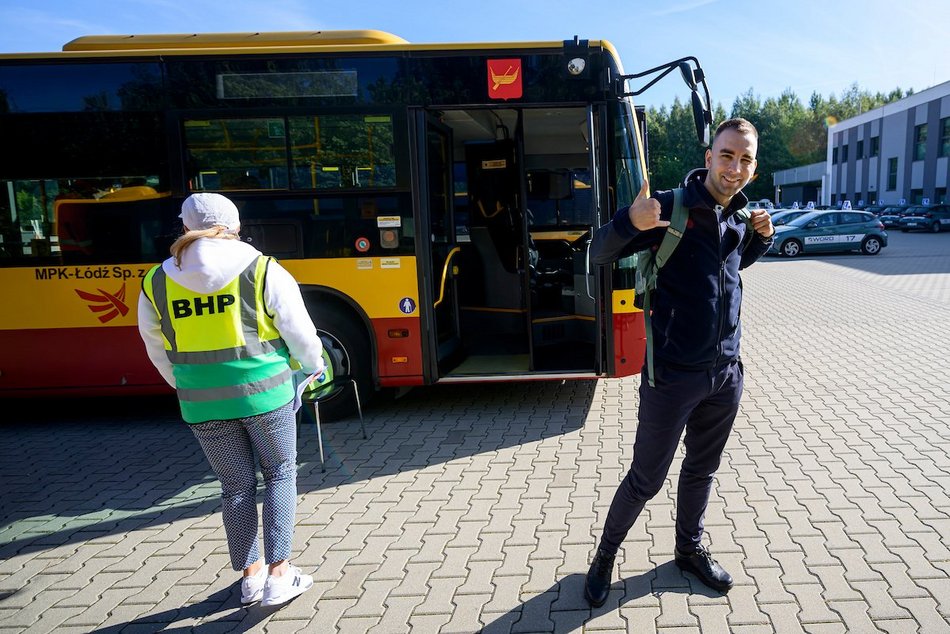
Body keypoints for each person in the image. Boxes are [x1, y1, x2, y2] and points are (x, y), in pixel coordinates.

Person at [584, 118, 775, 607]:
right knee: (646, 479)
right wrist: (630, 221)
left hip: (725, 375)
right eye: (727, 155)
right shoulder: (670, 208)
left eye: (745, 159)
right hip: (671, 377)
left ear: (754, 168)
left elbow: (727, 267)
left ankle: (688, 551)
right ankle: (604, 558)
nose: (735, 167)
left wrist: (761, 240)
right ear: (709, 157)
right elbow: (599, 254)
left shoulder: (738, 216)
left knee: (701, 469)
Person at [137, 192, 325, 608]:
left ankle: (250, 576)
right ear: (235, 225)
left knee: (235, 488)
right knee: (279, 474)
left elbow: (154, 346)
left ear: (185, 227)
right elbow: (298, 329)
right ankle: (280, 574)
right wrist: (313, 366)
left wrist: (185, 384)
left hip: (201, 403)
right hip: (265, 395)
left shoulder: (156, 280)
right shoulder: (260, 268)